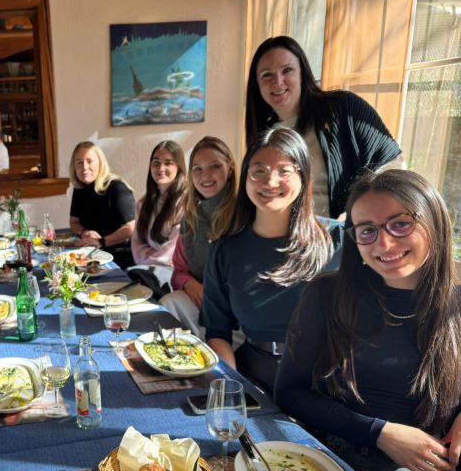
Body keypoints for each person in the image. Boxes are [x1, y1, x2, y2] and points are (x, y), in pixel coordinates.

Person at [275, 169, 461, 471]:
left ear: (433, 221)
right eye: (367, 230)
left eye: (400, 223)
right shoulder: (326, 295)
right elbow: (290, 392)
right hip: (322, 459)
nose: (384, 242)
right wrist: (380, 433)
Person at [203, 126, 342, 393]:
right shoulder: (224, 249)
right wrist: (231, 387)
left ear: (303, 176)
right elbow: (217, 332)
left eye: (284, 171)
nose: (270, 182)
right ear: (246, 177)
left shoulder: (337, 239)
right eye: (259, 171)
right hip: (255, 375)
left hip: (323, 378)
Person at [245, 35, 401, 218]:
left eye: (287, 70)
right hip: (292, 234)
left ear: (302, 74)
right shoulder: (265, 135)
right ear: (257, 85)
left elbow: (393, 166)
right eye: (267, 75)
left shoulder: (343, 108)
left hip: (347, 231)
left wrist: (358, 211)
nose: (278, 82)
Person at [159, 137, 237, 337]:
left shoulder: (244, 213)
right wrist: (189, 283)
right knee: (168, 304)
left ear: (230, 169)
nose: (206, 176)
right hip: (204, 303)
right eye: (197, 169)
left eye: (215, 166)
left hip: (237, 313)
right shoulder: (191, 218)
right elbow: (179, 271)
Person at [129, 140, 187, 298]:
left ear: (179, 167)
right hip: (144, 267)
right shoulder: (143, 203)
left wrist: (149, 262)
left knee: (132, 282)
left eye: (168, 163)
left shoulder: (185, 202)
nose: (161, 169)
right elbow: (136, 241)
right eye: (156, 163)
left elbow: (174, 248)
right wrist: (146, 261)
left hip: (172, 271)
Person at [68, 141, 136, 268]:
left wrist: (101, 241)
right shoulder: (79, 189)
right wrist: (84, 232)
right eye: (79, 163)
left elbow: (130, 229)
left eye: (90, 161)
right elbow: (73, 222)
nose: (85, 167)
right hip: (91, 254)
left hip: (119, 257)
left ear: (100, 163)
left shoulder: (117, 188)